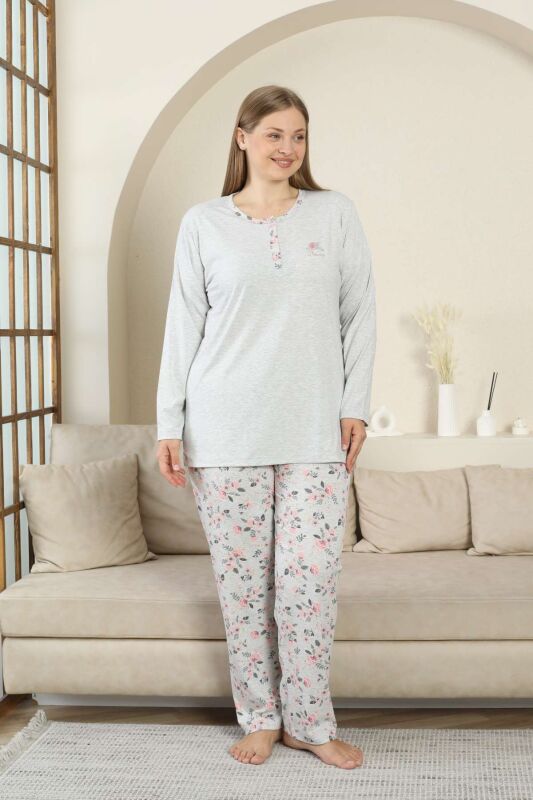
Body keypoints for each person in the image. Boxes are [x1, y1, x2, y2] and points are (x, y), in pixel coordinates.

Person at [156, 85, 376, 769]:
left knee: (309, 584)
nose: (288, 148)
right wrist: (168, 424)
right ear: (242, 137)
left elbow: (359, 313)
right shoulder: (203, 223)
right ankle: (259, 717)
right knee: (243, 588)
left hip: (314, 431)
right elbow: (183, 326)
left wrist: (355, 405)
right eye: (275, 134)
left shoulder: (334, 214)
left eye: (299, 135)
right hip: (224, 431)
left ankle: (309, 723)